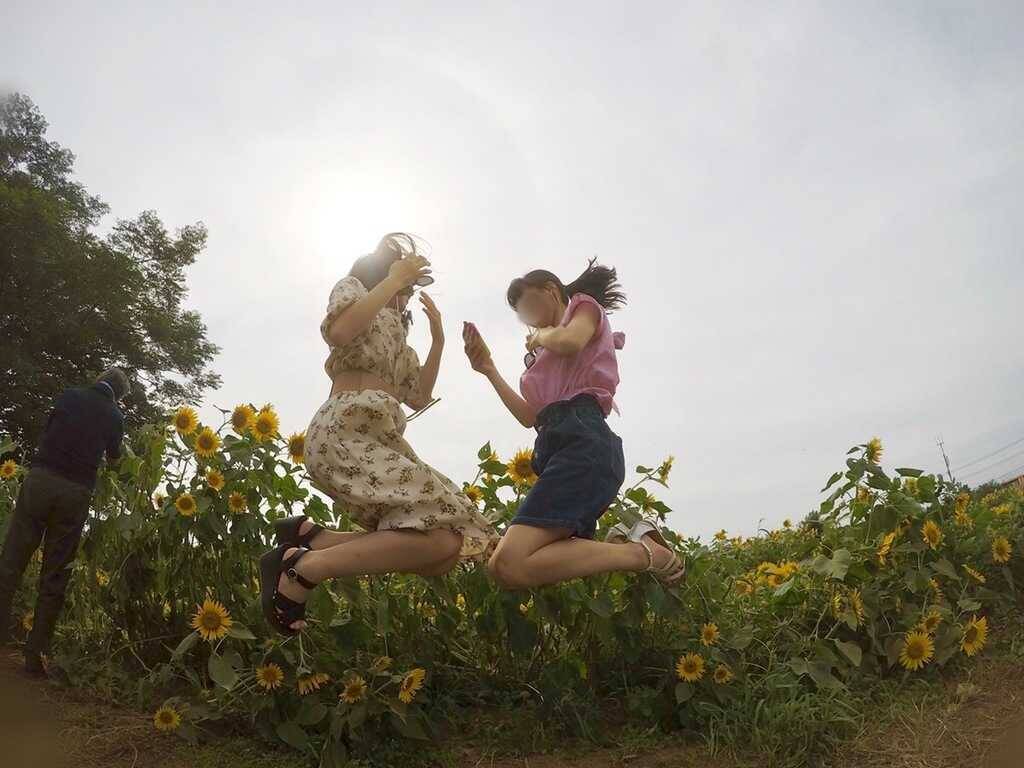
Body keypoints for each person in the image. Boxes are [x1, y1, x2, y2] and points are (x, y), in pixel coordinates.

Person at [260, 233, 497, 635]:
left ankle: (316, 541)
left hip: (379, 440)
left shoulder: (399, 340)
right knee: (443, 526)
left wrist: (438, 341)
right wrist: (393, 279)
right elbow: (341, 332)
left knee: (444, 546)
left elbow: (418, 397)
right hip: (344, 430)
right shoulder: (352, 290)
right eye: (403, 284)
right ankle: (303, 568)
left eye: (408, 289)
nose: (405, 296)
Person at [462, 259, 684, 590]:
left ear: (551, 291)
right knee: (509, 566)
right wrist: (489, 369)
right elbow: (530, 417)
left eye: (529, 304)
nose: (528, 318)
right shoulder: (540, 358)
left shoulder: (582, 307)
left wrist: (542, 336)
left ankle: (645, 554)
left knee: (509, 564)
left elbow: (571, 342)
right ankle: (633, 544)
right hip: (555, 449)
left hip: (584, 440)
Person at [0, 368, 128, 676]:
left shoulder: (69, 395)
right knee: (55, 572)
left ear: (99, 379)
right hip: (75, 493)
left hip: (41, 480)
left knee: (12, 560)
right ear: (119, 396)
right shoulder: (115, 416)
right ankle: (35, 656)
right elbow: (114, 458)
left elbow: (50, 429)